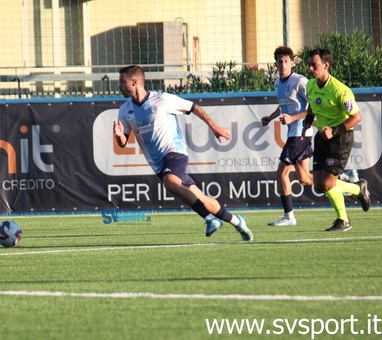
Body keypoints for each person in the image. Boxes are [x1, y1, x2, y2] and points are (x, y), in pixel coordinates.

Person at [113, 65, 253, 241]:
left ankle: (209, 219)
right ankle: (238, 221)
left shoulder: (162, 99)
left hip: (175, 152)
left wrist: (215, 128)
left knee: (170, 183)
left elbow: (194, 107)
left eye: (122, 82)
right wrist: (119, 136)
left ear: (134, 82)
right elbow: (123, 142)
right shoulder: (125, 110)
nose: (119, 86)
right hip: (158, 164)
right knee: (202, 198)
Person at [302, 48, 370, 232]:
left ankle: (343, 220)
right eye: (309, 65)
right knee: (317, 184)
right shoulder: (310, 85)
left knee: (327, 183)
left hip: (340, 138)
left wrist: (334, 130)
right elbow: (311, 107)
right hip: (322, 137)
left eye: (314, 65)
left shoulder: (340, 90)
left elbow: (356, 117)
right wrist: (307, 124)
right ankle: (358, 189)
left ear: (326, 65)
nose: (310, 68)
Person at [261, 46, 314, 226]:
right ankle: (347, 180)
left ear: (292, 63)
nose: (283, 64)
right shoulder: (277, 82)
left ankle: (289, 216)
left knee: (282, 173)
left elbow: (313, 107)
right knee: (305, 179)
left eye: (286, 61)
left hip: (300, 133)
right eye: (280, 61)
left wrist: (294, 118)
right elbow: (283, 105)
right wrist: (270, 117)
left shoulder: (300, 81)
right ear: (275, 63)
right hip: (295, 134)